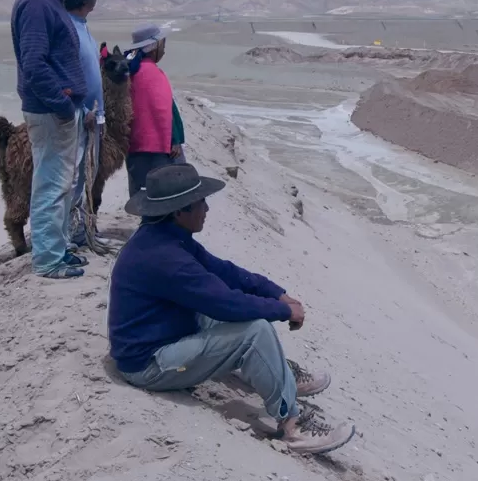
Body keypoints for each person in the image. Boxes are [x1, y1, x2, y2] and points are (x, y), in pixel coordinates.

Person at [106, 164, 356, 455]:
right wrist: (284, 311)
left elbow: (224, 271)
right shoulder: (165, 257)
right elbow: (227, 304)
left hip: (164, 336)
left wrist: (277, 293)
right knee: (254, 331)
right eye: (201, 202)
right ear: (179, 211)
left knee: (227, 313)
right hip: (149, 366)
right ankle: (292, 425)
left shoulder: (164, 236)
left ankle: (280, 376)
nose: (207, 209)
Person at [11, 0, 89, 279]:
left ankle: (57, 248)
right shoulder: (36, 3)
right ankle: (47, 260)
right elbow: (34, 63)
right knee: (51, 184)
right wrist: (61, 104)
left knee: (60, 183)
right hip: (50, 111)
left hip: (56, 109)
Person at [60, 0, 109, 249]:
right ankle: (67, 235)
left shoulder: (82, 27)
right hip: (80, 116)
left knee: (85, 175)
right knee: (74, 177)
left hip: (91, 117)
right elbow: (66, 76)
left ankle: (80, 231)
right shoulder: (69, 30)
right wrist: (83, 109)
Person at [122, 23, 187, 197]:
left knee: (141, 196)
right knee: (164, 197)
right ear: (154, 47)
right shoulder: (152, 73)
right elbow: (162, 110)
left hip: (135, 147)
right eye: (163, 45)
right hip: (158, 149)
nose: (164, 50)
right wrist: (174, 139)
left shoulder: (131, 71)